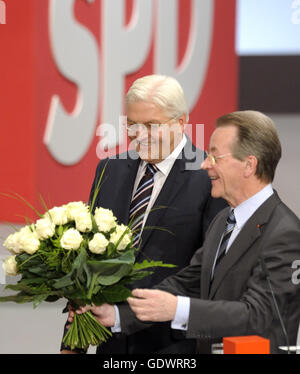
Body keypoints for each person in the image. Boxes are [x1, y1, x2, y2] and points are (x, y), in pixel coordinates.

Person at [80, 110, 300, 354]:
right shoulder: (223, 221)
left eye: (215, 157)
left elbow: (261, 315)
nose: (205, 164)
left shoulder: (285, 233)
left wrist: (178, 309)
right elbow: (187, 283)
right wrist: (118, 315)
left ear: (249, 165)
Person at [61, 74, 227, 354]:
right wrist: (72, 346)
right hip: (110, 344)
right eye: (132, 124)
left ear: (181, 121)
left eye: (152, 125)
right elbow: (87, 263)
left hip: (173, 347)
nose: (140, 135)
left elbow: (209, 274)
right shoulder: (110, 170)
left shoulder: (208, 177)